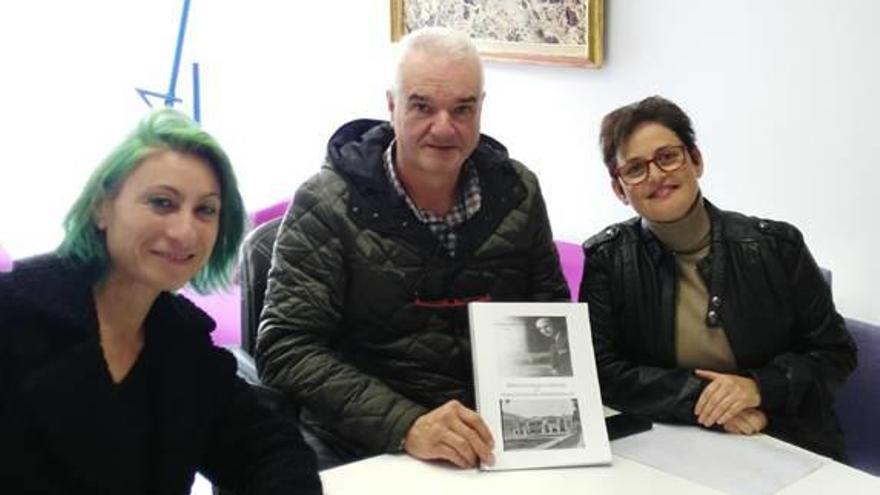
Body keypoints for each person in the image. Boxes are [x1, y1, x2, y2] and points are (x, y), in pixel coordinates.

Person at [256, 27, 570, 470]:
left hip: (493, 441)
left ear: (481, 108)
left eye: (462, 109)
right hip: (362, 444)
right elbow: (285, 347)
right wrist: (406, 425)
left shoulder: (517, 192)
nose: (444, 128)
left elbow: (549, 314)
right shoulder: (326, 203)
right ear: (391, 106)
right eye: (422, 106)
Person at [0, 109, 322, 494]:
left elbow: (270, 450)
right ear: (102, 207)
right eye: (162, 203)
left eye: (205, 210)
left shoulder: (182, 341)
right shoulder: (14, 314)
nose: (185, 232)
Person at [578, 95, 857, 460]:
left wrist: (758, 388)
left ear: (696, 160)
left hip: (785, 437)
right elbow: (600, 370)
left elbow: (835, 354)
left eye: (668, 157)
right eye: (635, 169)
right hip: (668, 439)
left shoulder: (777, 246)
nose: (657, 176)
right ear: (619, 189)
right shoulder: (608, 259)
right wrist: (704, 402)